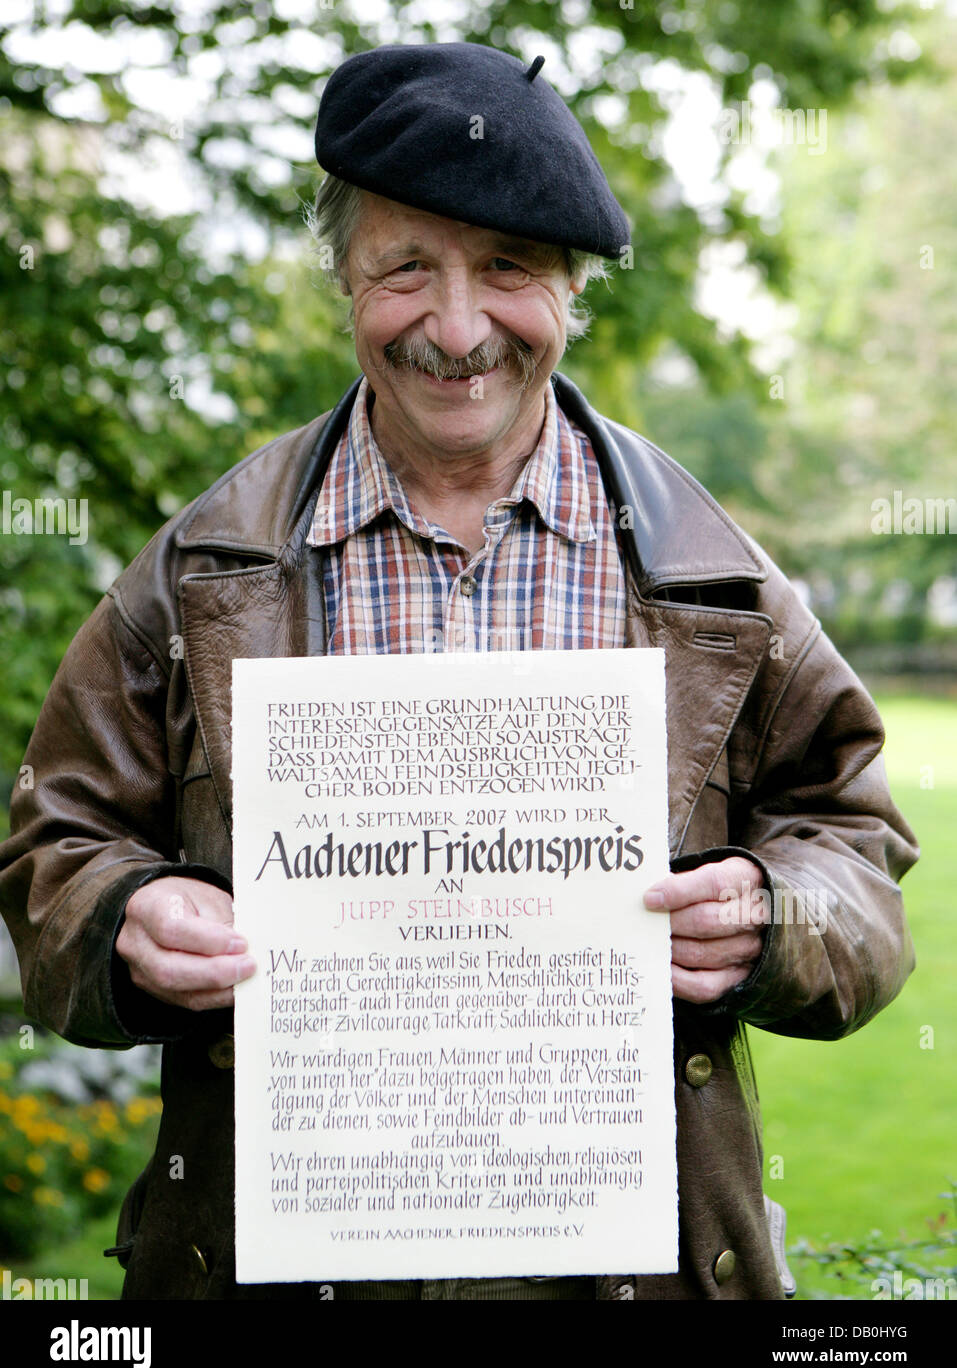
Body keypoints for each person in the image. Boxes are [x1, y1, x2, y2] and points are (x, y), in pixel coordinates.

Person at [0, 42, 917, 1301]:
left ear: (572, 288)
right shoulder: (199, 569)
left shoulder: (716, 576)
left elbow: (854, 841)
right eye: (405, 268)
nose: (456, 326)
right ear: (343, 279)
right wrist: (123, 923)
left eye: (508, 270)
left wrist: (775, 911)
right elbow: (54, 842)